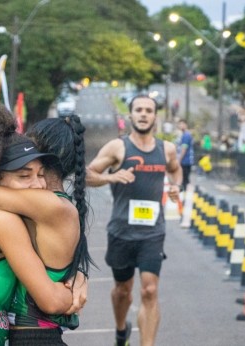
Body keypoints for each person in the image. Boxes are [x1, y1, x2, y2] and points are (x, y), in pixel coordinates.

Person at [0, 110, 92, 345]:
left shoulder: (44, 204)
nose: (36, 182)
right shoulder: (17, 208)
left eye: (39, 173)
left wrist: (72, 292)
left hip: (33, 336)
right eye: (24, 175)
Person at [85, 94, 182, 346]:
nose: (143, 114)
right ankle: (121, 330)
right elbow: (87, 175)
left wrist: (175, 186)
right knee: (123, 291)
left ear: (155, 116)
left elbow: (175, 169)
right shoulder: (118, 148)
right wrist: (111, 178)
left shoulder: (166, 149)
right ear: (130, 115)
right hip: (121, 231)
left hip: (152, 231)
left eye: (148, 110)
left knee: (149, 290)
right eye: (138, 110)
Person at [177, 119, 194, 191]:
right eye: (180, 124)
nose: (181, 126)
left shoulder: (186, 135)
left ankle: (184, 196)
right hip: (185, 161)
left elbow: (184, 148)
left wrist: (179, 160)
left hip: (185, 161)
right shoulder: (183, 135)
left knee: (184, 180)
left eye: (183, 124)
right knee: (184, 180)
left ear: (186, 125)